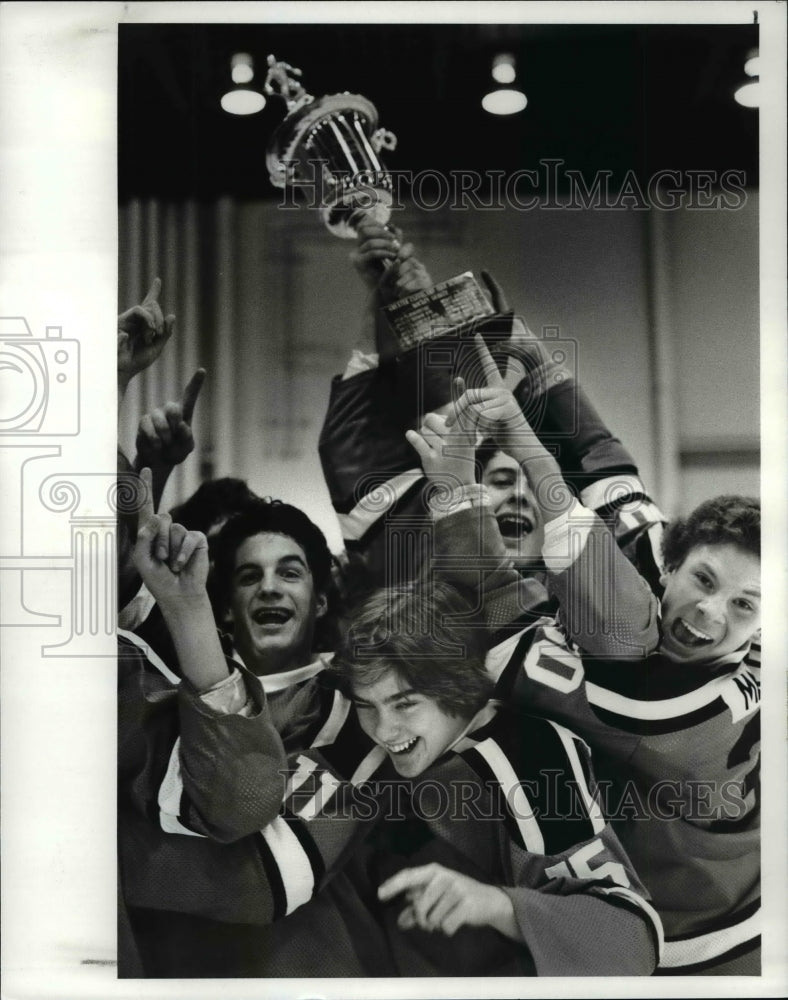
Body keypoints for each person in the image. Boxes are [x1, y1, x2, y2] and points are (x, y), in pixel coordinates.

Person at [426, 348, 762, 975]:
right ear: (670, 563)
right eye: (704, 581)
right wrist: (524, 350)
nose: (712, 614)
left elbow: (511, 625)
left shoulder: (684, 709)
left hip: (711, 948)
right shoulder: (656, 569)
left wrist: (457, 489)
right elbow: (609, 472)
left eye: (744, 605)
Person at [326, 580, 663, 976]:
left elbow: (631, 942)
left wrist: (496, 904)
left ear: (457, 684)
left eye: (405, 704)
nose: (384, 730)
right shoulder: (406, 743)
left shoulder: (534, 756)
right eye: (368, 707)